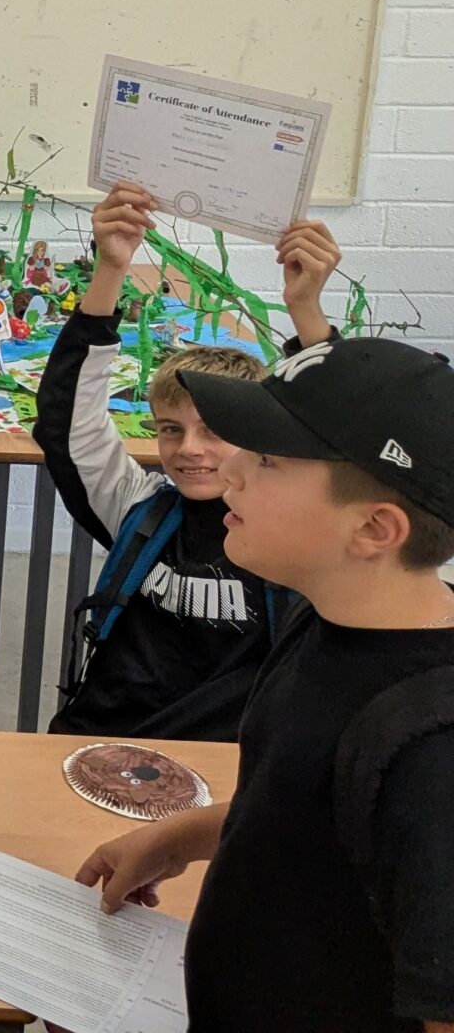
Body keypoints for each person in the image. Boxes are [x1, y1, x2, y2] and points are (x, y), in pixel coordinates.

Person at [74, 335, 454, 1032]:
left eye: (269, 459)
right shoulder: (325, 623)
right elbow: (308, 810)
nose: (235, 472)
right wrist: (183, 837)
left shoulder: (431, 748)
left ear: (374, 528)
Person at [34, 182, 339, 740]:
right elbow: (67, 423)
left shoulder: (294, 529)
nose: (189, 449)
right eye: (171, 430)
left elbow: (333, 434)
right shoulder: (141, 509)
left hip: (232, 757)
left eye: (215, 431)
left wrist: (306, 311)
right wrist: (110, 270)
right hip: (105, 739)